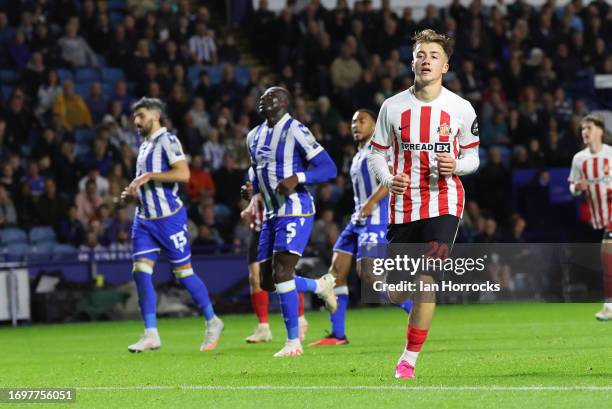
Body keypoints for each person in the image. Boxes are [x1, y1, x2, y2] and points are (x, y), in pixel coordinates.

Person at [367, 30, 480, 379]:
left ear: (445, 65)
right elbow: (376, 154)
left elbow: (473, 157)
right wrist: (387, 179)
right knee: (396, 289)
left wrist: (456, 165)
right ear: (412, 61)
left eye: (433, 54)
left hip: (444, 203)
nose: (426, 59)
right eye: (420, 54)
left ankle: (408, 361)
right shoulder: (392, 107)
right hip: (404, 207)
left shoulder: (461, 108)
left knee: (427, 279)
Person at [241, 87, 338, 357]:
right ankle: (319, 286)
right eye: (262, 96)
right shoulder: (254, 135)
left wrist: (298, 178)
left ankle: (293, 343)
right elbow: (255, 169)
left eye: (271, 97)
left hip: (295, 209)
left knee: (283, 273)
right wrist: (250, 187)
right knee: (267, 282)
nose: (264, 99)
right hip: (271, 213)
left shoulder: (296, 130)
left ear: (285, 103)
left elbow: (328, 167)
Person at [121, 98, 223, 353]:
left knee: (183, 273)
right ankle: (151, 333)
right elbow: (148, 183)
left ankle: (212, 320)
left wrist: (148, 176)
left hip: (168, 219)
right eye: (135, 116)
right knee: (140, 271)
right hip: (144, 219)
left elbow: (183, 174)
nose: (136, 121)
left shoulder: (168, 140)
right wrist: (134, 192)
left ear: (155, 115)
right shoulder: (145, 146)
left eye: (141, 115)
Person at [309, 109, 411, 347]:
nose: (356, 125)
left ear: (375, 126)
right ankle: (338, 334)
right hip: (357, 220)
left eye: (362, 121)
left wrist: (371, 203)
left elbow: (392, 180)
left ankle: (413, 307)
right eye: (353, 121)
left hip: (376, 218)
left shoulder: (379, 149)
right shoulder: (357, 155)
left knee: (370, 275)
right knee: (336, 274)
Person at [241, 172, 308, 344]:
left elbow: (277, 191)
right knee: (256, 279)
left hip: (280, 222)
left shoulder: (280, 163)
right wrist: (249, 207)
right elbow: (257, 196)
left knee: (285, 273)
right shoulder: (253, 166)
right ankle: (263, 327)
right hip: (258, 229)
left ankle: (300, 318)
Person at [568, 114, 612, 321]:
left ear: (600, 131)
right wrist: (577, 187)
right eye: (582, 129)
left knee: (608, 256)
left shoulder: (611, 154)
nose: (585, 131)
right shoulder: (579, 159)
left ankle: (609, 306)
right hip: (601, 217)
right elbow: (572, 186)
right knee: (607, 260)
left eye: (589, 128)